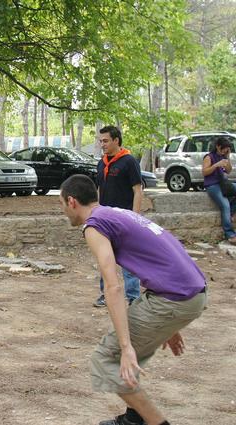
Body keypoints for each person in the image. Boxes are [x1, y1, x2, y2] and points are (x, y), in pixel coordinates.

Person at [59, 175, 207, 425]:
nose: (63, 211)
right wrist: (170, 324)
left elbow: (113, 286)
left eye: (62, 204)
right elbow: (161, 254)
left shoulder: (94, 225)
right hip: (190, 293)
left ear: (72, 201)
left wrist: (126, 346)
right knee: (128, 351)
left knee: (107, 358)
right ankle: (134, 419)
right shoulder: (116, 213)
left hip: (174, 299)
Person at [94, 125, 142, 307]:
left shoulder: (129, 161)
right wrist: (96, 212)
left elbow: (138, 190)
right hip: (105, 219)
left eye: (106, 141)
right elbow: (99, 189)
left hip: (124, 219)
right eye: (101, 141)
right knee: (105, 257)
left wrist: (135, 218)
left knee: (128, 259)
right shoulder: (101, 163)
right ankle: (105, 294)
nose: (102, 144)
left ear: (116, 140)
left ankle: (133, 297)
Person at [202, 137, 236, 244]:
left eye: (227, 149)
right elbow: (204, 172)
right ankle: (230, 234)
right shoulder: (209, 157)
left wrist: (228, 158)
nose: (225, 150)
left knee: (228, 205)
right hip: (212, 185)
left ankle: (231, 214)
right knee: (225, 205)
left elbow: (229, 171)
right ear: (217, 146)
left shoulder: (224, 156)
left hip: (224, 184)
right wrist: (216, 165)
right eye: (223, 148)